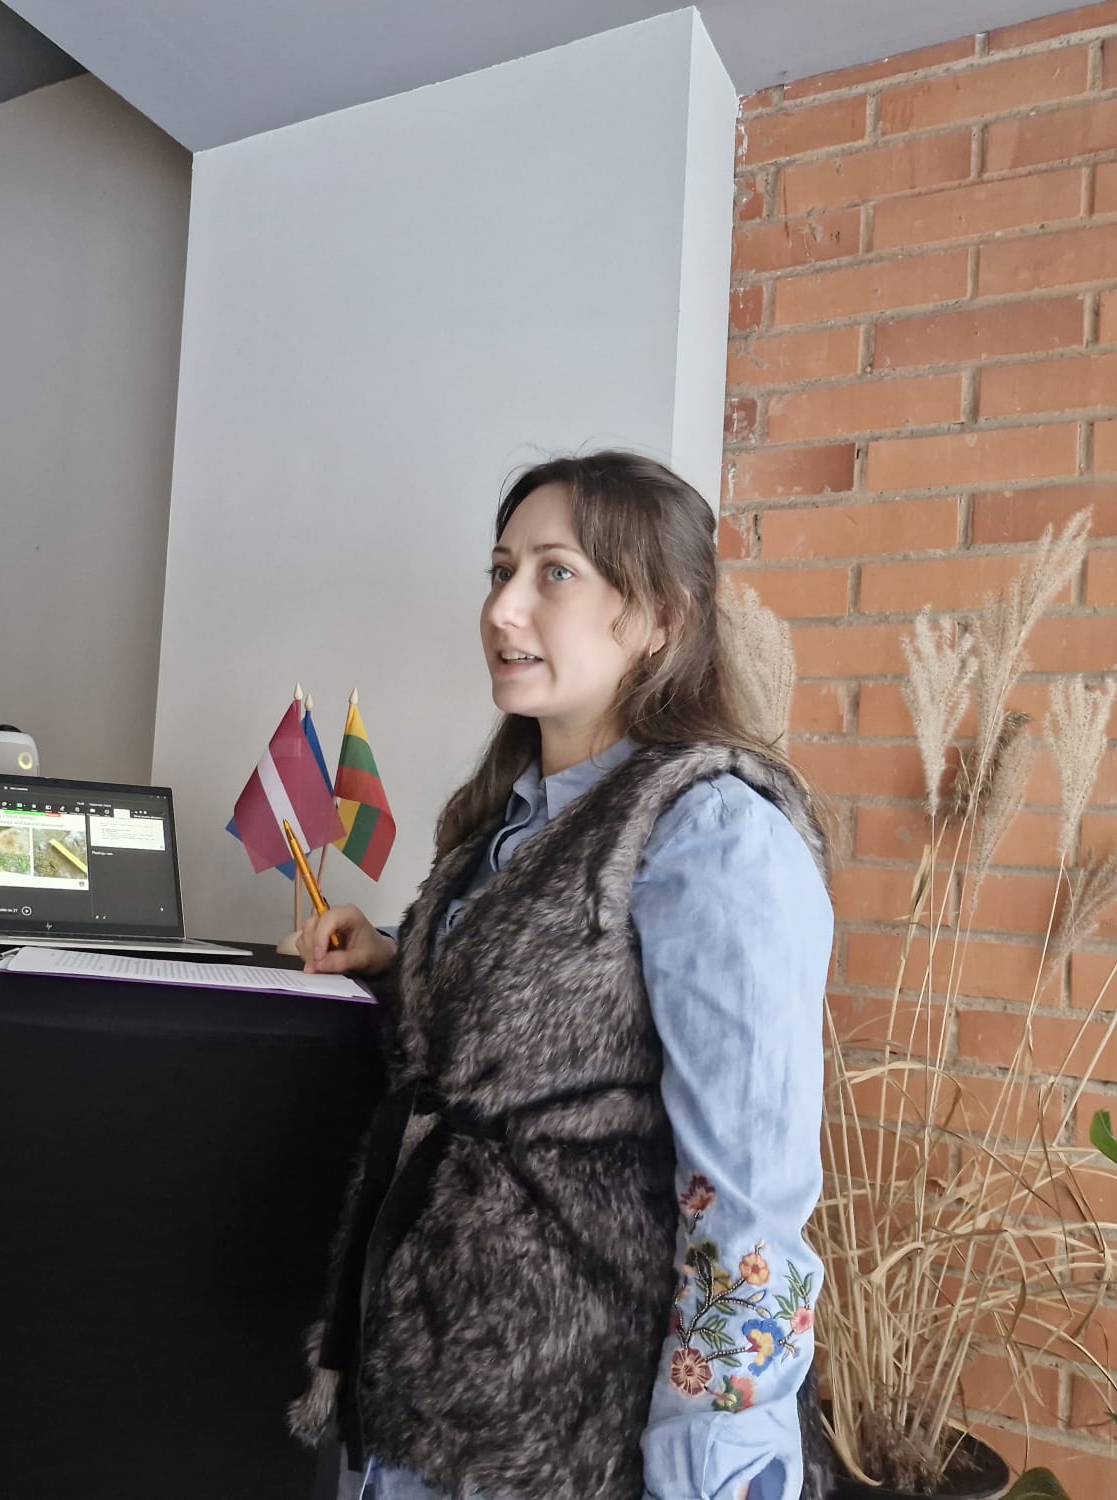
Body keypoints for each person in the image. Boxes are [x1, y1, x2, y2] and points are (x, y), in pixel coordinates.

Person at [289, 451, 833, 1500]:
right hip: (437, 1385)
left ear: (661, 616)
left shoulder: (715, 832)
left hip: (582, 1425)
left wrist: (712, 1470)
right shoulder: (510, 821)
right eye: (500, 571)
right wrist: (398, 957)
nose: (503, 608)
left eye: (555, 573)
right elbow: (551, 1022)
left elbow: (749, 1204)